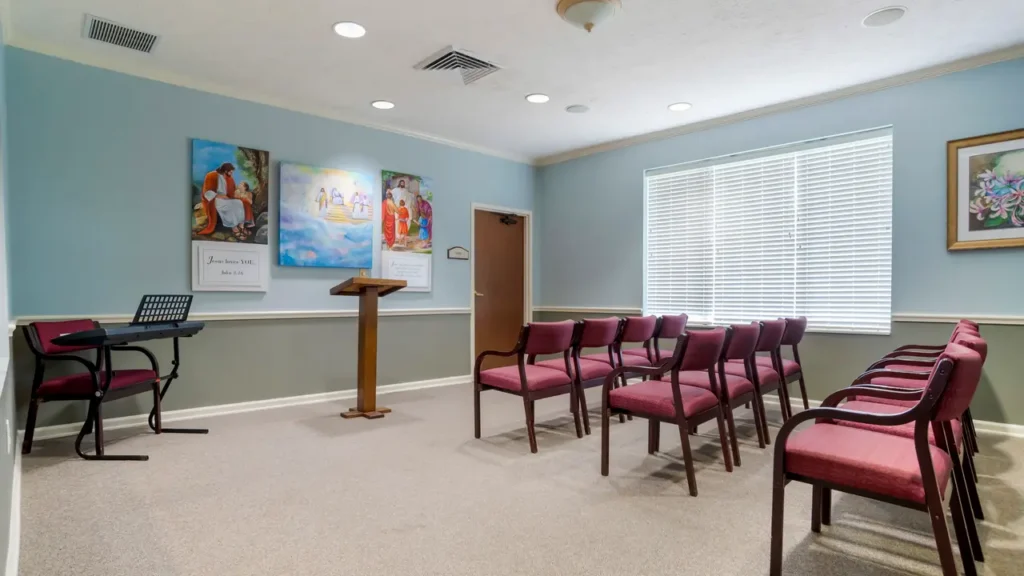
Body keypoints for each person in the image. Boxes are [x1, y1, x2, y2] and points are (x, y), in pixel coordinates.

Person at [198, 162, 254, 237]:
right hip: (215, 200)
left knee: (238, 203)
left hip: (225, 199)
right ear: (225, 170)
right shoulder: (212, 175)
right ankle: (234, 228)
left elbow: (232, 191)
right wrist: (220, 196)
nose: (231, 173)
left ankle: (241, 226)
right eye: (230, 172)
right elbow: (207, 192)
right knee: (230, 206)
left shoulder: (229, 178)